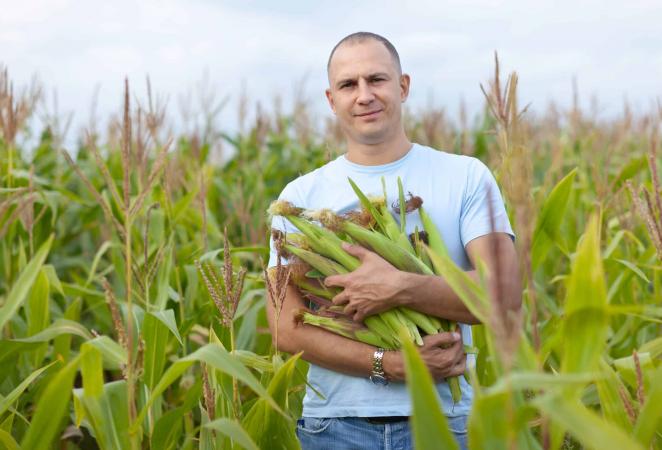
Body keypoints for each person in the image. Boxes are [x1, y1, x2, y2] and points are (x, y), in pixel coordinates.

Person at [267, 31, 519, 450]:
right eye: (349, 85)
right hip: (335, 428)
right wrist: (392, 364)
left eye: (376, 79)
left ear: (403, 86)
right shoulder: (298, 200)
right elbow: (284, 327)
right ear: (332, 100)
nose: (364, 95)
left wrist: (398, 286)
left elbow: (504, 295)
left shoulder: (467, 177)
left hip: (444, 420)